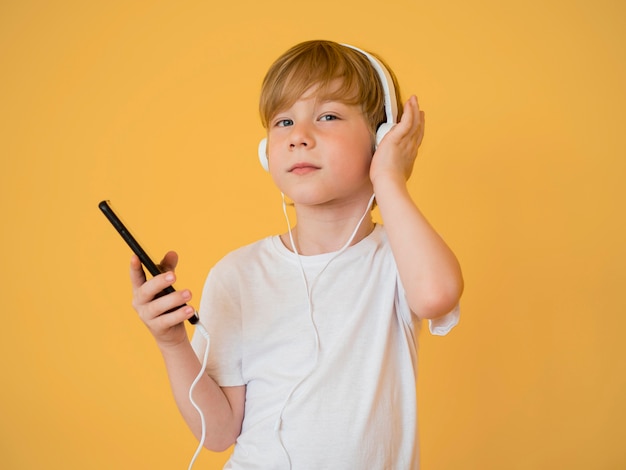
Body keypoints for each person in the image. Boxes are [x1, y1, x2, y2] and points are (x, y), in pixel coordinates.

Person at [130, 39, 463, 469]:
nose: (299, 137)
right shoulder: (238, 274)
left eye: (328, 116)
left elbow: (437, 295)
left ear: (383, 139)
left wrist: (390, 179)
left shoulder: (397, 258)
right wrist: (172, 342)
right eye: (283, 121)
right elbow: (217, 434)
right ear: (266, 153)